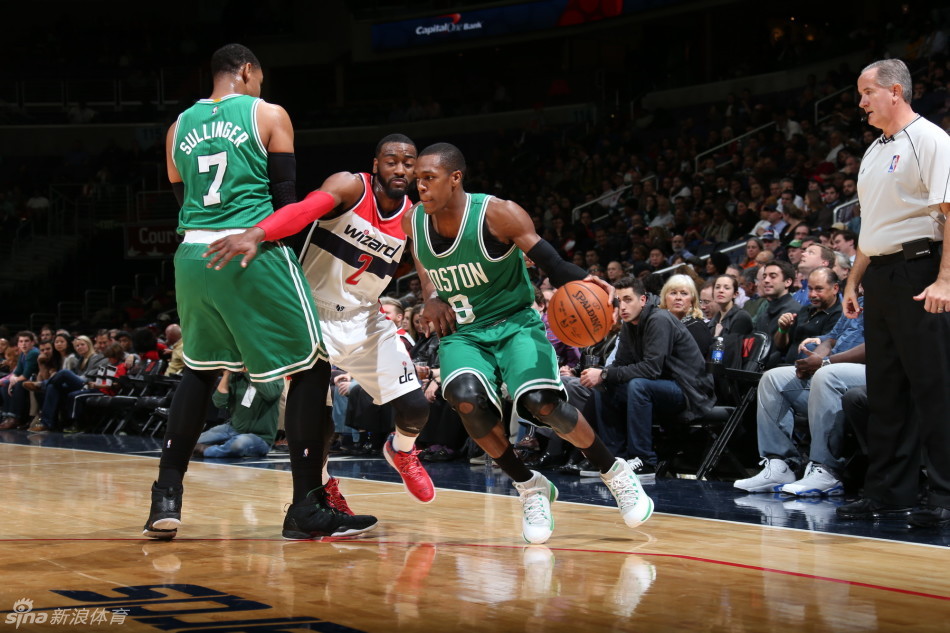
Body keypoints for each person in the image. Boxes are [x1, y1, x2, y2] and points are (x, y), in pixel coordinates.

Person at [144, 43, 376, 541]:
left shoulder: (177, 127)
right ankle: (305, 509)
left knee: (200, 371)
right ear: (247, 71)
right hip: (250, 251)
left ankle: (165, 496)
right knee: (311, 369)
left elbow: (181, 197)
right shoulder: (268, 114)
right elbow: (285, 207)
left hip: (193, 256)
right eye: (260, 78)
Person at [408, 142, 653, 544]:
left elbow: (554, 266)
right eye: (417, 179)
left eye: (428, 178)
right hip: (466, 332)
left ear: (455, 179)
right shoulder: (415, 221)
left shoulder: (498, 214)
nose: (420, 187)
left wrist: (590, 284)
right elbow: (422, 256)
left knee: (542, 403)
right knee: (466, 401)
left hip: (516, 324)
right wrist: (431, 295)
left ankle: (614, 472)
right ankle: (529, 486)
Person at [207, 134, 436, 507]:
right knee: (319, 422)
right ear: (376, 164)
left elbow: (423, 263)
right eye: (392, 161)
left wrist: (431, 298)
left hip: (365, 319)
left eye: (408, 162)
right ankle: (325, 485)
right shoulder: (350, 185)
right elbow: (303, 210)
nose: (401, 168)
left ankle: (402, 450)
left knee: (416, 407)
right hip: (311, 314)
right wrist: (258, 233)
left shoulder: (412, 217)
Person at [838, 59, 950, 528]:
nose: (861, 102)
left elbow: (948, 212)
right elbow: (875, 226)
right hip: (880, 276)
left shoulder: (931, 139)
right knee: (886, 390)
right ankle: (887, 492)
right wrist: (852, 279)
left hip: (920, 269)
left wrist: (945, 280)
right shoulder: (873, 151)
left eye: (867, 93)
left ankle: (944, 496)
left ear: (895, 92)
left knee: (935, 388)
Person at [585, 276, 715, 480]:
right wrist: (603, 374)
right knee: (605, 386)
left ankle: (644, 461)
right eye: (619, 301)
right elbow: (620, 363)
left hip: (689, 391)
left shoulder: (659, 319)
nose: (623, 306)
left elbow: (651, 369)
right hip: (659, 386)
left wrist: (604, 373)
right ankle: (613, 458)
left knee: (638, 385)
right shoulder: (630, 323)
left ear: (643, 300)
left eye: (628, 299)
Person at [193, 369, 282, 458]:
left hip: (261, 437)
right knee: (193, 441)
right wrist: (226, 375)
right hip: (233, 428)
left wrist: (249, 372)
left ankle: (206, 451)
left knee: (238, 444)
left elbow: (271, 394)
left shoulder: (273, 375)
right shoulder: (236, 377)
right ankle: (222, 448)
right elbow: (219, 402)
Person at [708, 274, 753, 339]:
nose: (721, 291)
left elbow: (732, 347)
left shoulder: (741, 317)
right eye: (717, 287)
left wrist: (716, 336)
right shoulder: (715, 319)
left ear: (735, 294)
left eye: (726, 288)